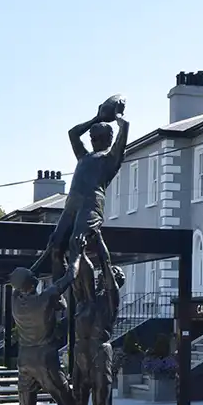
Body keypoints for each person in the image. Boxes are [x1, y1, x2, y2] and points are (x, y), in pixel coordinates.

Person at [29, 97, 130, 292]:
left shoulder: (111, 159)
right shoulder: (83, 157)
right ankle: (62, 292)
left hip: (91, 207)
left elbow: (124, 127)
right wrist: (96, 118)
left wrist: (116, 115)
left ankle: (83, 291)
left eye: (98, 138)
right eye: (93, 138)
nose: (94, 141)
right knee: (56, 245)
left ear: (108, 139)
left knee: (77, 245)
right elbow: (73, 133)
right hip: (72, 206)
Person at [5, 265, 93, 405]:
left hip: (24, 360)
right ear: (34, 282)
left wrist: (42, 260)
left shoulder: (15, 301)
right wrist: (77, 255)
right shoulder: (45, 298)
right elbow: (70, 275)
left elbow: (23, 281)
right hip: (45, 359)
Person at [73, 263, 130, 405]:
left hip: (99, 353)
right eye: (101, 276)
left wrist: (97, 237)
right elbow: (79, 275)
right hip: (81, 354)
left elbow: (105, 265)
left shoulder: (110, 299)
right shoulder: (85, 300)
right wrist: (80, 248)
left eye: (108, 276)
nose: (101, 278)